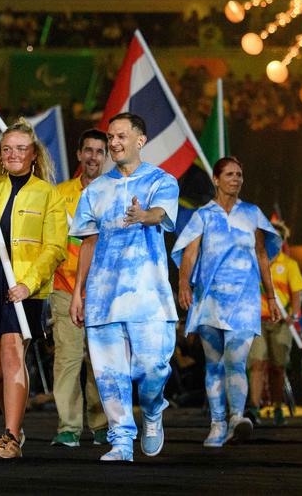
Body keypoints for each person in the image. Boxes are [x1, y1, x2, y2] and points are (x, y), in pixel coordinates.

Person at [70, 112, 180, 462]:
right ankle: (120, 441)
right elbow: (87, 243)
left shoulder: (162, 180)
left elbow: (161, 214)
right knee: (109, 375)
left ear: (140, 140)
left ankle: (151, 413)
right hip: (103, 300)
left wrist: (143, 215)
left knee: (153, 369)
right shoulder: (95, 190)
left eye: (120, 136)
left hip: (149, 300)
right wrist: (78, 293)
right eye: (110, 137)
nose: (114, 143)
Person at [0, 118, 67, 459]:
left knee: (11, 354)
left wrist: (28, 283)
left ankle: (8, 437)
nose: (14, 154)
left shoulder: (48, 193)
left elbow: (56, 247)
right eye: (7, 149)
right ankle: (14, 424)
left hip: (22, 287)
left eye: (21, 148)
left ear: (33, 154)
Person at [174, 156, 282, 447]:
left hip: (244, 301)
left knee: (236, 359)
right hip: (210, 299)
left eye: (240, 174)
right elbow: (190, 252)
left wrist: (270, 296)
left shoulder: (252, 214)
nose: (236, 179)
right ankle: (217, 424)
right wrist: (184, 283)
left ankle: (236, 418)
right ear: (216, 179)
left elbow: (261, 254)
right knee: (214, 364)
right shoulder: (203, 215)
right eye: (230, 174)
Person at [49, 129, 110, 448]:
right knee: (68, 361)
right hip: (64, 288)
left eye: (100, 152)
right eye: (88, 150)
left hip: (104, 294)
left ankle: (100, 424)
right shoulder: (59, 195)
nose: (93, 157)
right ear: (78, 155)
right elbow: (51, 243)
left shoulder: (116, 193)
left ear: (106, 157)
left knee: (101, 363)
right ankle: (69, 427)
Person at [247, 219, 302, 427]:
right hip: (257, 321)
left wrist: (294, 315)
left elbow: (297, 295)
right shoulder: (253, 263)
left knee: (278, 367)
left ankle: (278, 407)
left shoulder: (290, 265)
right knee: (258, 363)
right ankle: (254, 408)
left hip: (280, 322)